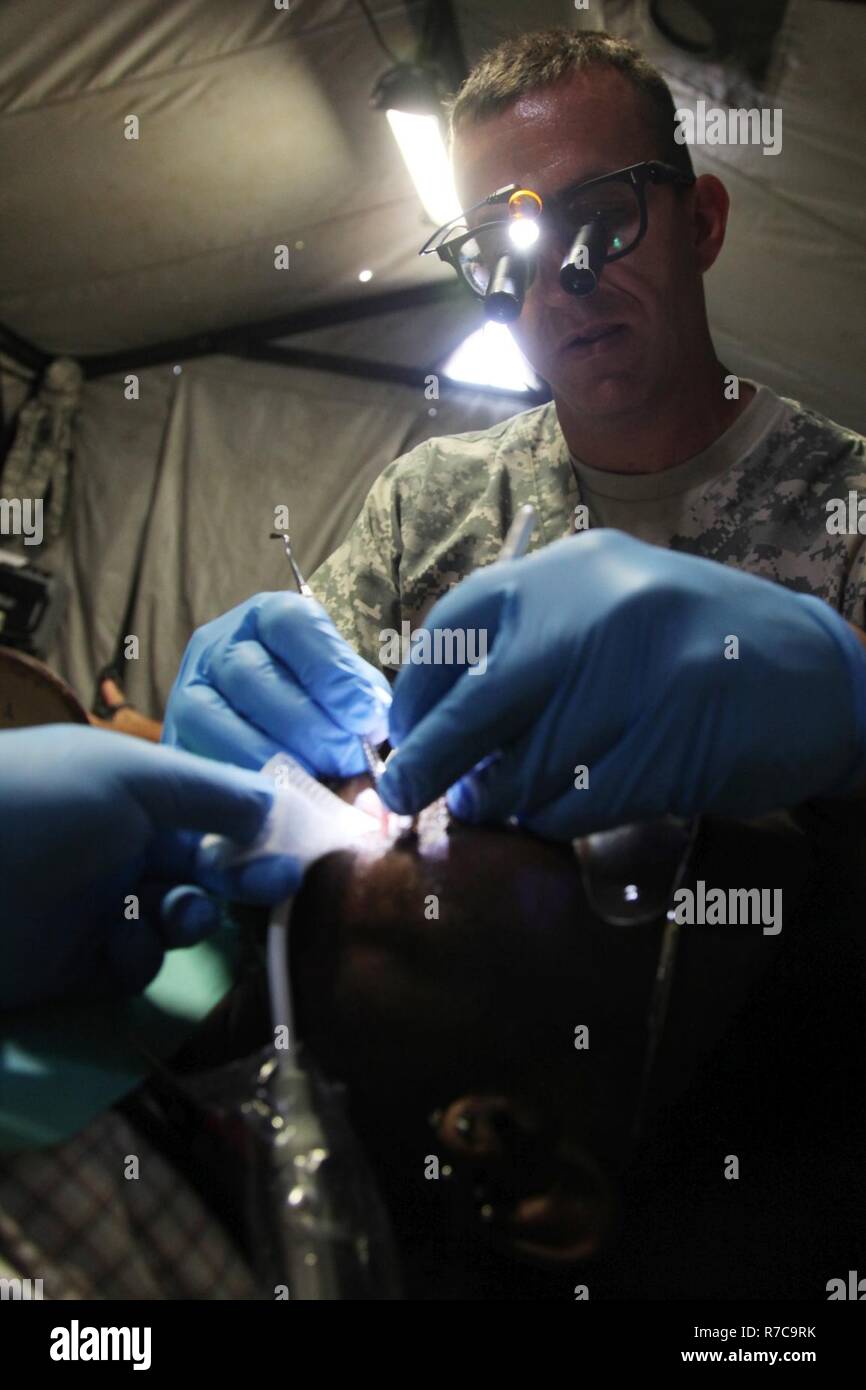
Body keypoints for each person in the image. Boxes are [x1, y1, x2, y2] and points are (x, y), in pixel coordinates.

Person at [162, 29, 866, 835]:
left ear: (702, 223)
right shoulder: (427, 502)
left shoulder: (847, 507)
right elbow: (327, 756)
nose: (565, 283)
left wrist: (849, 697)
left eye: (604, 215)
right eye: (503, 249)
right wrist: (251, 730)